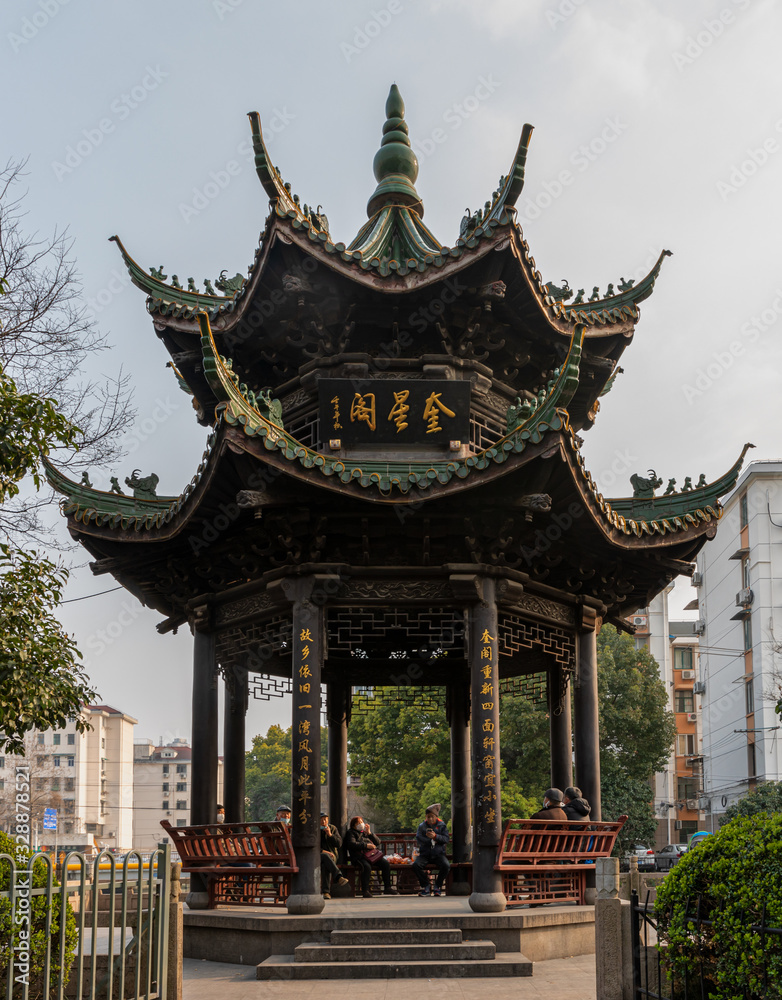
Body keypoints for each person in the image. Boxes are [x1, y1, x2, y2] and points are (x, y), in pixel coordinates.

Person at [345, 815, 394, 897]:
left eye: (362, 822)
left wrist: (370, 833)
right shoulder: (351, 833)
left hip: (370, 856)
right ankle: (365, 891)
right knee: (366, 867)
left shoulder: (364, 833)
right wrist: (366, 846)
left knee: (385, 864)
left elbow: (378, 842)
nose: (361, 824)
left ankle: (387, 887)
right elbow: (351, 844)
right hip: (359, 857)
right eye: (358, 823)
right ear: (353, 825)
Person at [412, 802, 450, 897]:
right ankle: (426, 886)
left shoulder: (441, 825)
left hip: (438, 854)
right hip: (425, 854)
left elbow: (446, 839)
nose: (430, 819)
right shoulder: (422, 826)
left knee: (446, 866)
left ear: (436, 816)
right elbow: (418, 838)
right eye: (428, 817)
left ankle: (437, 886)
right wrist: (429, 839)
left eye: (432, 816)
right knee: (416, 865)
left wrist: (436, 837)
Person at [320, 812, 349, 899]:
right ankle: (339, 877)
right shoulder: (314, 829)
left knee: (325, 864)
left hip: (332, 857)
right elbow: (312, 845)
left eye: (325, 819)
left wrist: (330, 835)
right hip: (318, 856)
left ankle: (326, 893)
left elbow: (339, 844)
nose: (323, 821)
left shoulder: (332, 828)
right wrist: (323, 851)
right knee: (325, 857)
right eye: (321, 820)